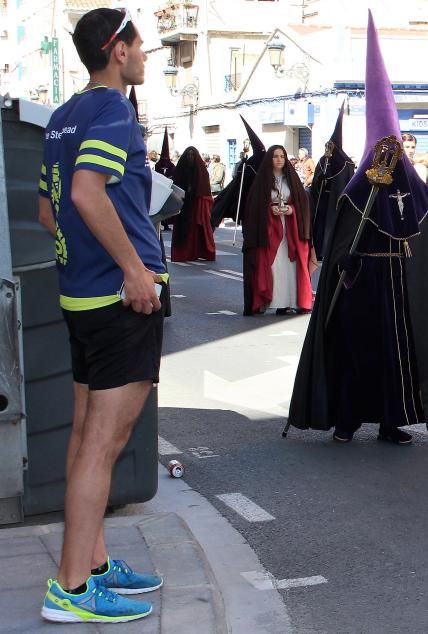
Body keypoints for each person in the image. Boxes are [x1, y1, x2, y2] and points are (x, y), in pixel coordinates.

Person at [287, 11, 428, 445]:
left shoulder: (416, 189)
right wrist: (343, 262)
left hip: (401, 284)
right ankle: (347, 420)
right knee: (357, 352)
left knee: (400, 355)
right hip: (361, 284)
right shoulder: (356, 191)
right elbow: (339, 238)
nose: (391, 157)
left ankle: (393, 421)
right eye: (385, 148)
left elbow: (427, 244)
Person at [36, 8, 164, 623]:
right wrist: (133, 271)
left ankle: (90, 561)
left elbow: (48, 211)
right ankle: (71, 590)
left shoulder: (62, 116)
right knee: (103, 447)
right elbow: (86, 193)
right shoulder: (114, 111)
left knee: (87, 438)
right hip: (119, 301)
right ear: (117, 50)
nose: (146, 56)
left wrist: (88, 261)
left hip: (80, 298)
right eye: (141, 47)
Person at [242, 145, 316, 315]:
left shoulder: (292, 179)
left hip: (290, 229)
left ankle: (288, 302)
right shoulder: (262, 181)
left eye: (282, 156)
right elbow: (254, 206)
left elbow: (302, 203)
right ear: (270, 159)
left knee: (289, 265)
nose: (279, 160)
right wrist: (269, 210)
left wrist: (292, 210)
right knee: (273, 266)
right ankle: (269, 300)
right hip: (268, 229)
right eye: (275, 156)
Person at [309, 105, 355, 258]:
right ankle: (319, 250)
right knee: (320, 226)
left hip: (336, 202)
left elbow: (348, 184)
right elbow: (316, 181)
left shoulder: (346, 163)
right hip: (323, 200)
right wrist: (320, 180)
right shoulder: (323, 160)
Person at [211, 116, 265, 228]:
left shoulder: (266, 161)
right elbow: (240, 175)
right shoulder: (250, 161)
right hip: (247, 195)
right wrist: (243, 163)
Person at [170, 146, 216, 262]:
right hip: (183, 205)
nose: (190, 157)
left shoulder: (200, 171)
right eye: (188, 155)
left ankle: (197, 252)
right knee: (183, 230)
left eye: (192, 155)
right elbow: (176, 185)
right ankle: (183, 253)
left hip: (196, 205)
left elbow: (204, 189)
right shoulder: (180, 169)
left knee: (196, 230)